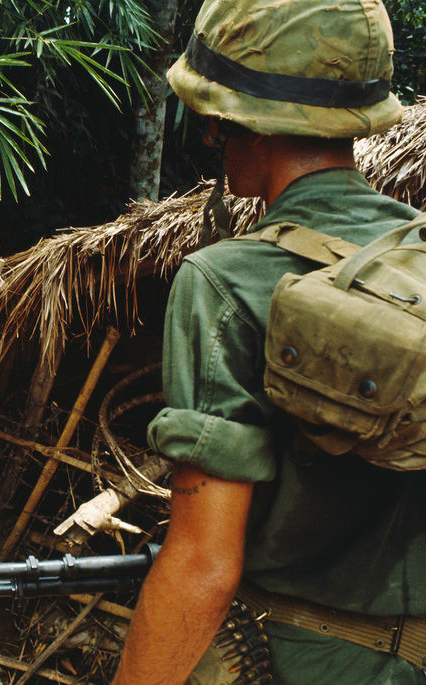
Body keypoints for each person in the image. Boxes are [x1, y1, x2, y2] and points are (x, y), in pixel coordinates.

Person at [112, 1, 426, 683]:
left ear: (248, 125)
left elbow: (203, 563)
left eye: (212, 122)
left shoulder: (226, 283)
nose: (211, 138)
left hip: (287, 662)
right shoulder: (418, 258)